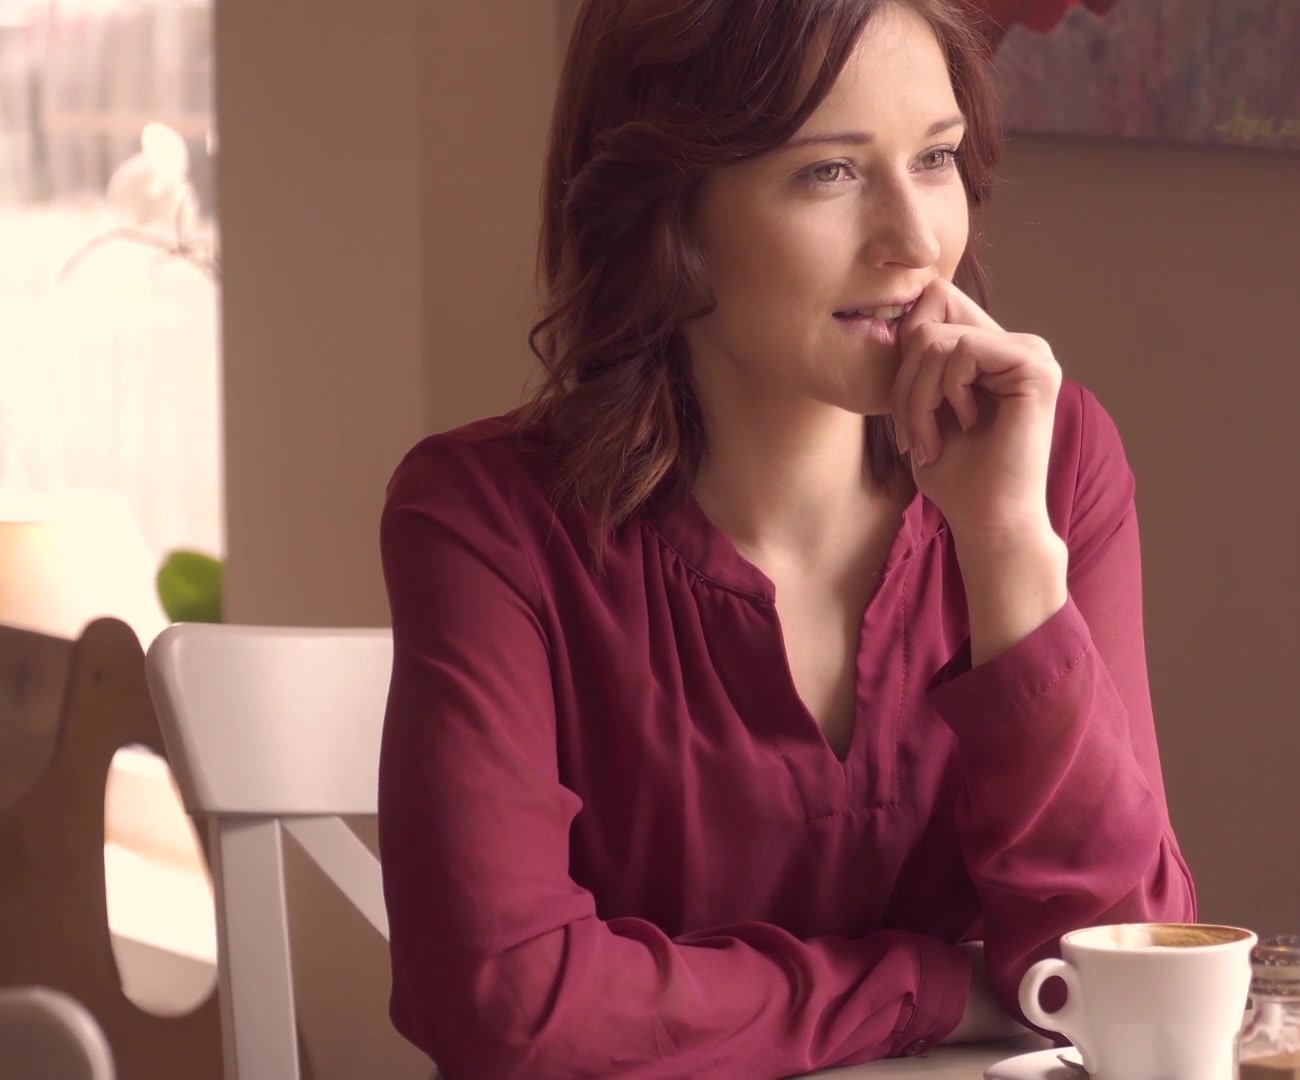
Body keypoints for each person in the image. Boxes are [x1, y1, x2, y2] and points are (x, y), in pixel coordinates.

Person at [375, 0, 1195, 1075]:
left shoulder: (1052, 459)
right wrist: (934, 988)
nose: (915, 242)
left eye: (936, 158)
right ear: (670, 208)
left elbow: (1130, 977)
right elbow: (509, 1007)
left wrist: (1005, 551)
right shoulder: (484, 518)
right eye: (830, 173)